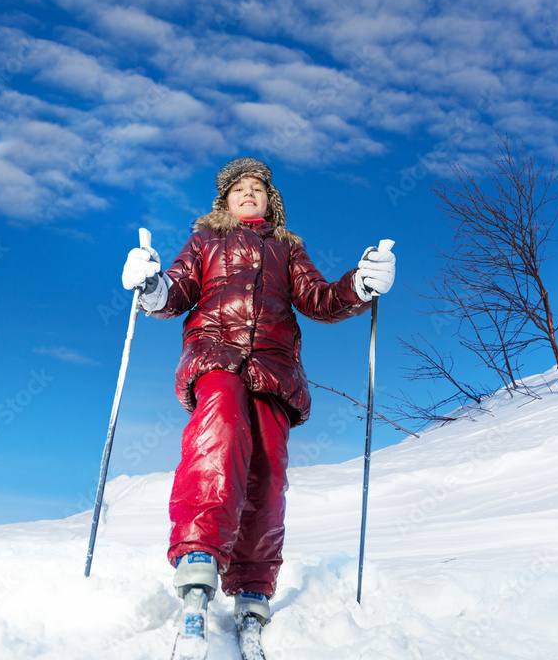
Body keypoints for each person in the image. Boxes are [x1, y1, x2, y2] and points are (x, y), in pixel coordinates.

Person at [122, 157, 395, 624]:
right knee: (220, 431)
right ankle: (199, 551)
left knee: (268, 471)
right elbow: (178, 291)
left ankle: (253, 579)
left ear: (272, 202)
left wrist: (360, 285)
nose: (249, 193)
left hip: (274, 369)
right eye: (239, 188)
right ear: (224, 200)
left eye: (258, 188)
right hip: (215, 353)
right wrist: (151, 285)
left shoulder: (288, 248)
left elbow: (320, 300)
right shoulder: (205, 239)